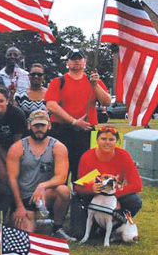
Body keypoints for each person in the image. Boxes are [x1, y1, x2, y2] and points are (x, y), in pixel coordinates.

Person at [44, 49, 111, 181]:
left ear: (85, 62)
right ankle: (60, 198)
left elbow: (106, 101)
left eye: (79, 58)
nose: (76, 61)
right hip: (62, 132)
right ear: (67, 63)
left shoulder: (93, 81)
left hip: (86, 133)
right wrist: (74, 121)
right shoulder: (58, 81)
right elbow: (51, 105)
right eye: (73, 59)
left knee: (84, 172)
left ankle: (80, 198)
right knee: (60, 171)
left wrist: (95, 85)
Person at [6, 110, 74, 240]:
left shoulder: (58, 147)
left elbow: (61, 177)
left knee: (63, 190)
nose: (39, 129)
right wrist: (19, 206)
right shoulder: (18, 147)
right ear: (29, 125)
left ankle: (57, 227)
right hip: (25, 197)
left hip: (45, 195)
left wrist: (43, 186)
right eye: (36, 125)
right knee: (27, 236)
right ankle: (28, 216)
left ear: (49, 125)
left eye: (42, 125)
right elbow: (12, 179)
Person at [70, 126, 143, 239]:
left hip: (113, 196)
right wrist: (91, 189)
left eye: (111, 139)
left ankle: (114, 225)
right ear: (97, 140)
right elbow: (78, 188)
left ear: (117, 141)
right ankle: (96, 225)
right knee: (79, 234)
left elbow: (137, 185)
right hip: (90, 198)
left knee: (135, 201)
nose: (107, 142)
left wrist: (114, 197)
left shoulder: (124, 155)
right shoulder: (87, 156)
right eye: (103, 139)